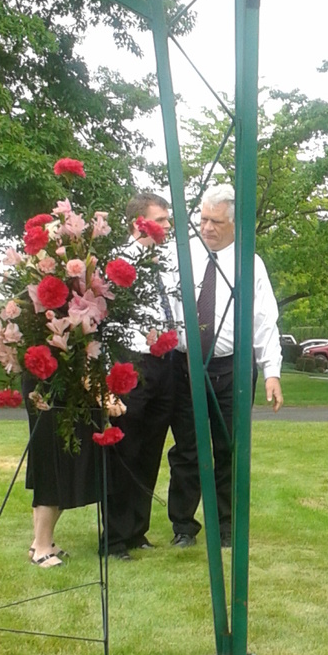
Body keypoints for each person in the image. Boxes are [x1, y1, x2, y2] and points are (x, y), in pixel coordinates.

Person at [165, 182, 283, 548]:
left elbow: (265, 320)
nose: (207, 227)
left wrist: (272, 372)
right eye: (203, 219)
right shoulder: (181, 257)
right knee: (187, 449)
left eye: (216, 221)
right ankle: (183, 527)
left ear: (233, 223)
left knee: (229, 449)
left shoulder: (250, 264)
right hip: (187, 367)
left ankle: (227, 528)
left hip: (233, 369)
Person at [102, 192, 175, 560]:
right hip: (131, 362)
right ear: (138, 223)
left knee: (150, 450)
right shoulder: (117, 263)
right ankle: (113, 539)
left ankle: (136, 531)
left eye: (167, 220)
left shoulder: (164, 262)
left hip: (165, 364)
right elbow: (104, 319)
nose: (167, 226)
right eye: (160, 220)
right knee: (126, 450)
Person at [24, 380, 100, 567]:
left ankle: (42, 541)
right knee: (50, 466)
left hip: (65, 388)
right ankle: (42, 547)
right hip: (49, 388)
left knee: (65, 466)